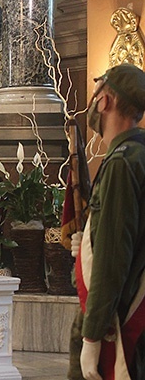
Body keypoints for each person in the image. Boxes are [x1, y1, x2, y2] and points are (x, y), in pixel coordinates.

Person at [68, 64, 145, 380]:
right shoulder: (138, 154)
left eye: (97, 90)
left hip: (116, 316)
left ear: (106, 100)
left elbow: (113, 257)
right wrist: (89, 238)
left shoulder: (121, 163)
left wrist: (92, 335)